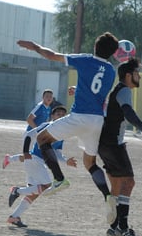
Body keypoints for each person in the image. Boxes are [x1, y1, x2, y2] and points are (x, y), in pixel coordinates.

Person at [17, 32, 119, 222]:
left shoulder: (86, 60)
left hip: (79, 116)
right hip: (97, 121)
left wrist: (35, 46)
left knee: (42, 139)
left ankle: (59, 178)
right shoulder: (112, 71)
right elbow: (96, 91)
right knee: (90, 163)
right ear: (112, 53)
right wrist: (78, 90)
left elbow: (51, 55)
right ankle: (107, 195)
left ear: (95, 47)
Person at [98, 58, 142, 236]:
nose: (139, 76)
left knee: (117, 186)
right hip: (113, 145)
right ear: (128, 75)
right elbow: (129, 114)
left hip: (104, 144)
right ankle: (122, 227)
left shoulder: (117, 90)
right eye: (137, 73)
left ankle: (115, 227)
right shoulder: (124, 90)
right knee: (129, 182)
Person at [4, 106, 77, 227]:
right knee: (47, 186)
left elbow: (57, 152)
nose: (61, 116)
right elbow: (29, 134)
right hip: (34, 159)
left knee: (33, 194)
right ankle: (17, 190)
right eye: (58, 114)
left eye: (63, 114)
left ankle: (14, 217)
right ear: (53, 116)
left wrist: (66, 160)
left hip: (37, 162)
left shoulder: (63, 133)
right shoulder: (47, 125)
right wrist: (26, 152)